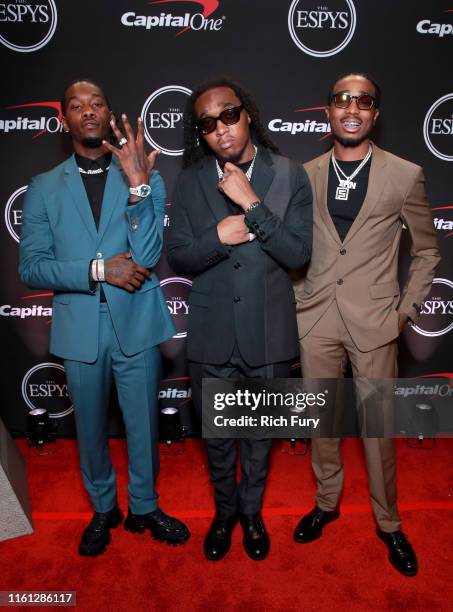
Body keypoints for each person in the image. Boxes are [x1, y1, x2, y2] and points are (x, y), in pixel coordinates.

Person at [19, 79, 190, 556]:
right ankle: (103, 509)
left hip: (136, 321)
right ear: (64, 120)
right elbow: (31, 267)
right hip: (80, 325)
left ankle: (145, 506)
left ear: (109, 113)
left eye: (96, 103)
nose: (87, 111)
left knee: (143, 424)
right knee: (90, 428)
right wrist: (99, 269)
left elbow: (151, 253)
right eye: (76, 105)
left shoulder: (144, 176)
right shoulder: (44, 187)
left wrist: (138, 188)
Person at [294, 72, 440, 576]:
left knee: (378, 431)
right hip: (316, 322)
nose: (351, 108)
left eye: (363, 101)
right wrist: (298, 298)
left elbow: (427, 252)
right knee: (322, 424)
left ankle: (389, 523)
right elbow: (294, 246)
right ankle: (326, 503)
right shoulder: (304, 174)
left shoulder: (405, 174)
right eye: (341, 100)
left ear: (375, 114)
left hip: (376, 322)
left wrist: (403, 312)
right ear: (328, 111)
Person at [167, 76, 312, 561]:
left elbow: (297, 253)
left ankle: (251, 515)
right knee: (218, 440)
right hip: (211, 335)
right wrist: (219, 236)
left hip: (268, 334)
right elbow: (182, 257)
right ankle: (224, 513)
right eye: (207, 124)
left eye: (228, 115)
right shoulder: (188, 181)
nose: (221, 129)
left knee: (258, 439)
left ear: (247, 114)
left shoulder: (290, 175)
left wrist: (251, 204)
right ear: (200, 134)